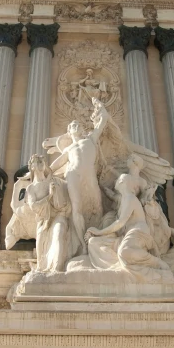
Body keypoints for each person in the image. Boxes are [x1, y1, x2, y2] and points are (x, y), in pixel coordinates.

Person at [49, 105, 110, 255]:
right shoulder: (68, 149)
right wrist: (39, 173)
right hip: (73, 174)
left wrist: (102, 110)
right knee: (77, 207)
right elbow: (54, 165)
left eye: (77, 125)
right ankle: (83, 245)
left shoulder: (91, 139)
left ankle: (98, 239)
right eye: (72, 126)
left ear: (82, 130)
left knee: (98, 205)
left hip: (89, 174)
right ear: (69, 132)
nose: (75, 126)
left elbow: (102, 122)